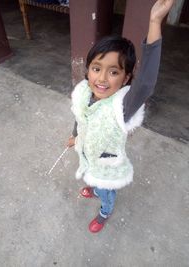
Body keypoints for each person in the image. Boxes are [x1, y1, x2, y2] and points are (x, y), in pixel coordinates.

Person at [67, 0, 175, 233]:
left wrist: (155, 22)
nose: (102, 78)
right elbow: (81, 115)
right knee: (90, 176)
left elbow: (145, 83)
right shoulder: (85, 92)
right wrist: (74, 135)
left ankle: (105, 210)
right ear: (88, 70)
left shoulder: (122, 106)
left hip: (107, 166)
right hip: (88, 156)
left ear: (126, 78)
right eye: (97, 68)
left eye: (114, 71)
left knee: (106, 190)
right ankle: (94, 189)